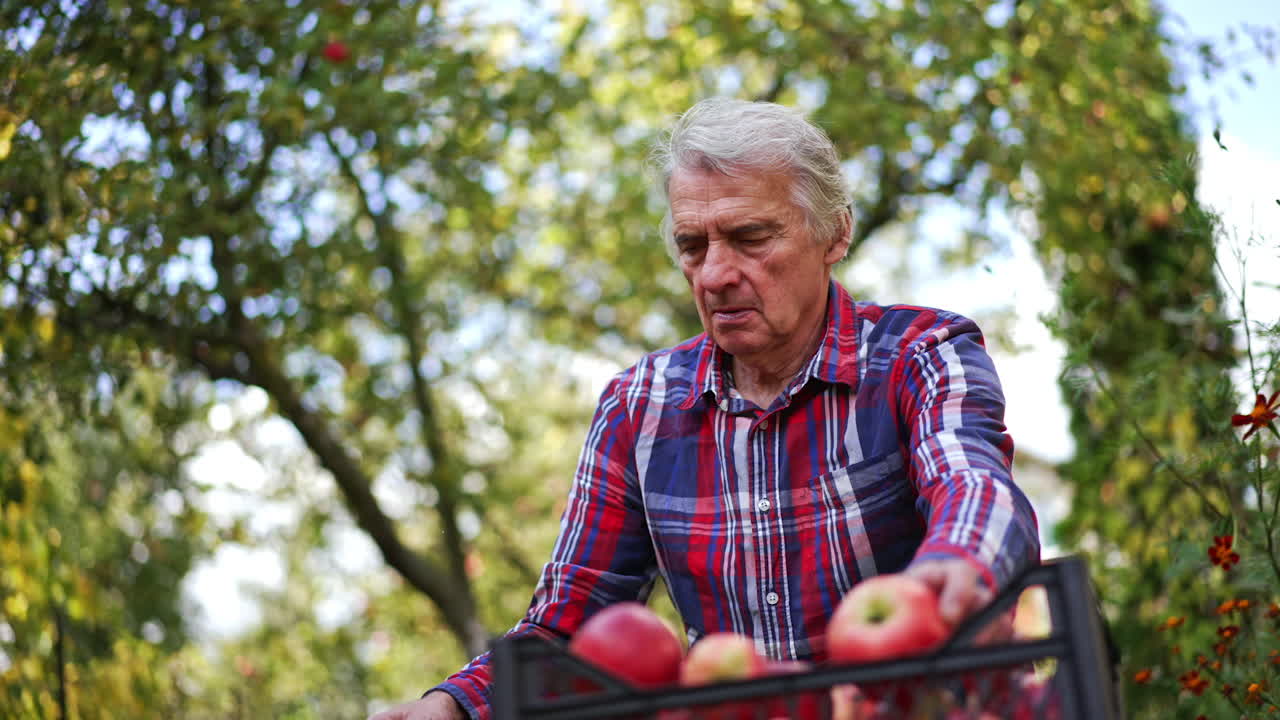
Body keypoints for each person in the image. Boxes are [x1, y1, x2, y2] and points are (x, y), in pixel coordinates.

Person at [370, 98, 1040, 720]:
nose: (715, 274)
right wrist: (455, 706)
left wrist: (954, 567)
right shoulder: (639, 408)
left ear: (834, 234)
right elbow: (569, 621)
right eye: (694, 246)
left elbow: (973, 483)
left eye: (750, 237)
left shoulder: (919, 353)